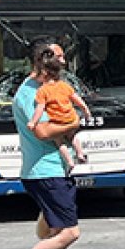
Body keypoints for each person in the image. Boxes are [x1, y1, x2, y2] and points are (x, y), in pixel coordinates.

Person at [0, 39, 88, 249]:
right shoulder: (28, 94)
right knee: (70, 232)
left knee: (57, 231)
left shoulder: (50, 88)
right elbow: (43, 131)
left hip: (53, 169)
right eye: (59, 56)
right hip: (43, 171)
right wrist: (74, 121)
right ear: (42, 60)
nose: (64, 61)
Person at [27, 48, 91, 176]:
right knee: (72, 136)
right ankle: (79, 153)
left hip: (58, 122)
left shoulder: (43, 91)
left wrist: (33, 122)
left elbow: (40, 109)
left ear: (43, 73)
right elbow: (78, 101)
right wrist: (86, 113)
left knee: (59, 141)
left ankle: (69, 162)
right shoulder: (64, 86)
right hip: (71, 118)